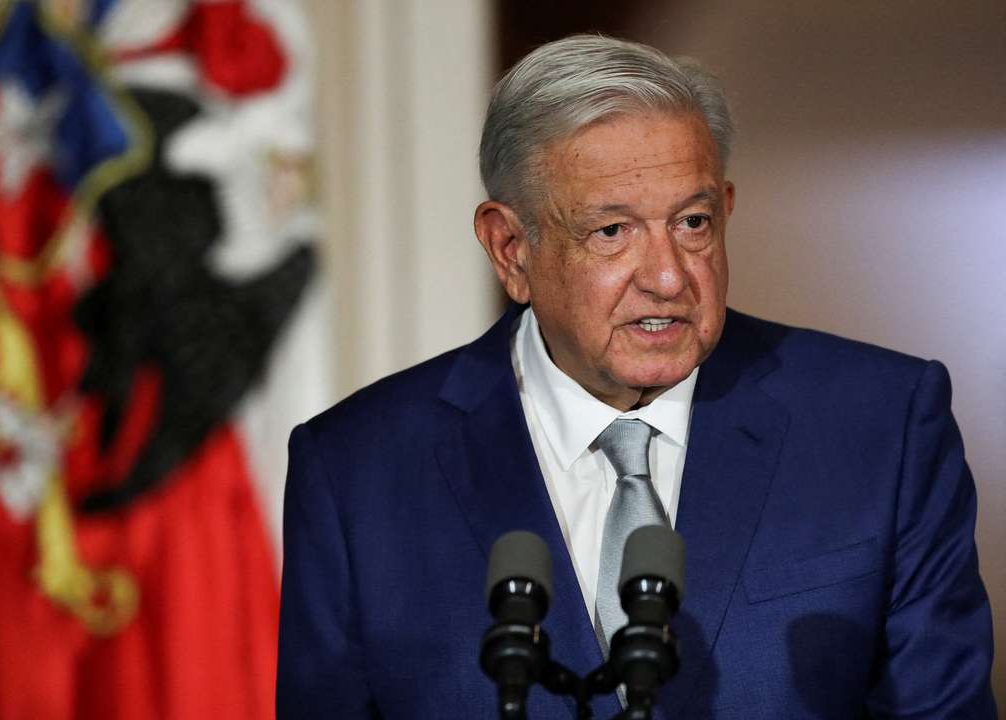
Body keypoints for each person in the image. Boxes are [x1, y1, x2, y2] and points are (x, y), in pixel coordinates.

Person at [276, 35, 996, 719]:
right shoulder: (356, 472)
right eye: (612, 231)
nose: (667, 277)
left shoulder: (882, 426)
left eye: (692, 223)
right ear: (510, 248)